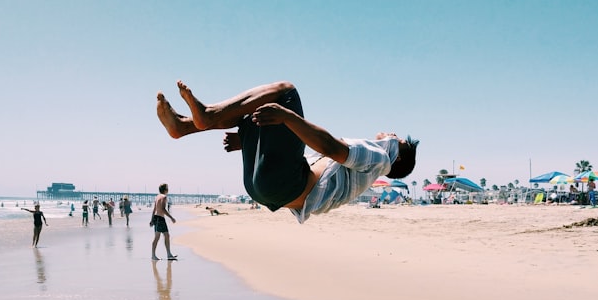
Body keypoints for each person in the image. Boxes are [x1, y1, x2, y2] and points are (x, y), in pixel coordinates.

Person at [156, 80, 418, 224]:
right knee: (253, 115)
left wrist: (288, 117)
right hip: (264, 190)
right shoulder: (368, 171)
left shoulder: (380, 157)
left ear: (398, 154)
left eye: (400, 140)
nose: (394, 134)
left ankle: (205, 117)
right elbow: (310, 158)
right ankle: (184, 126)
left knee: (285, 92)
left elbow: (330, 148)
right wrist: (247, 141)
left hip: (284, 185)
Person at [150, 184, 177, 260]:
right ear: (165, 190)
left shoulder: (157, 196)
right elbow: (163, 209)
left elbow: (154, 209)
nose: (168, 190)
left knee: (165, 236)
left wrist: (152, 219)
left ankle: (168, 254)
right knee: (158, 237)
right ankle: (155, 255)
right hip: (160, 218)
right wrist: (171, 217)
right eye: (167, 188)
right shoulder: (164, 197)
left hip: (156, 218)